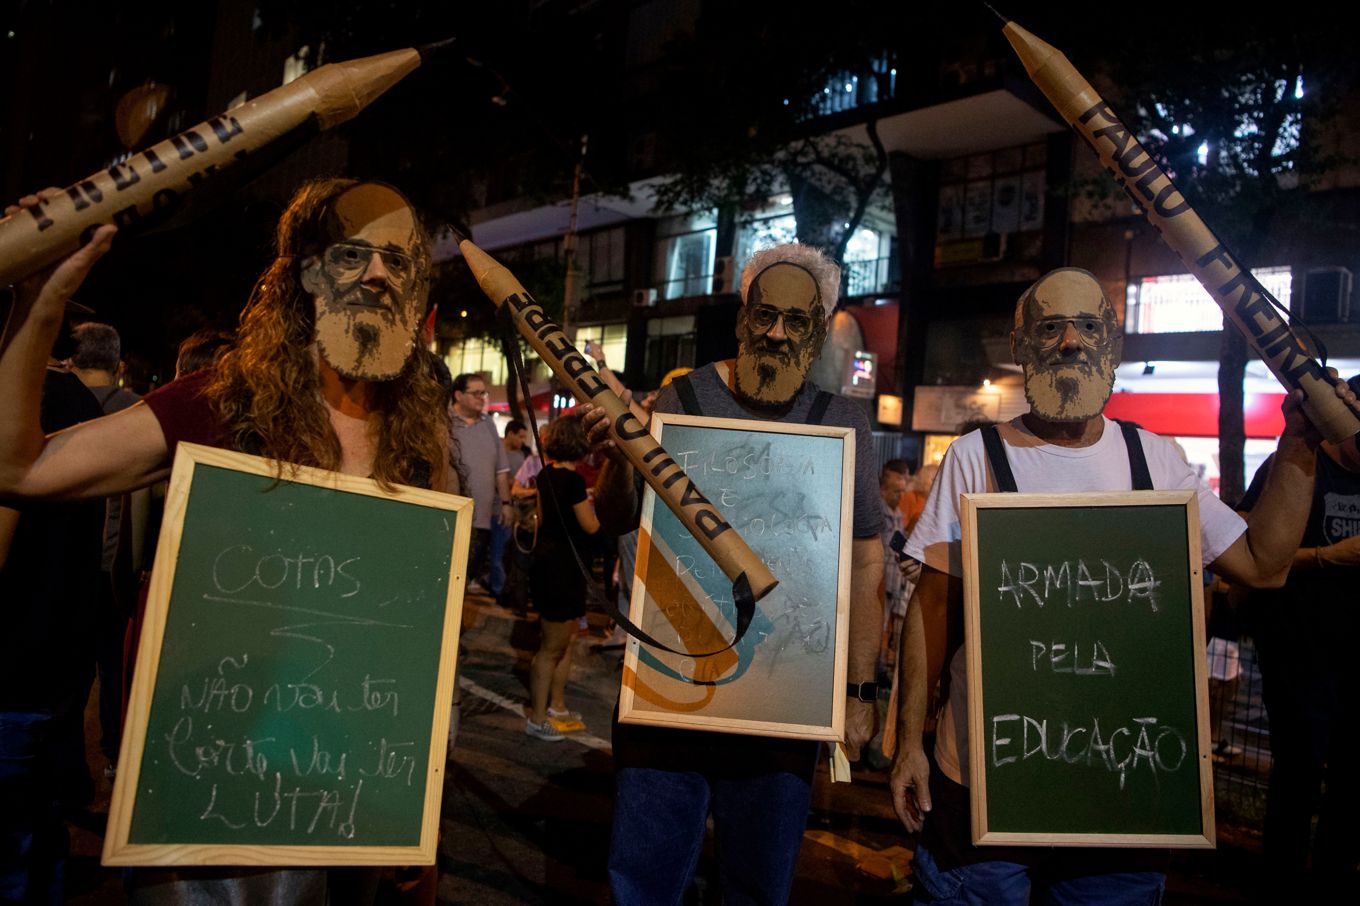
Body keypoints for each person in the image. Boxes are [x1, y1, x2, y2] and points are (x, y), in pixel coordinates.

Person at [0, 178, 452, 905]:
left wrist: (419, 813)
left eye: (398, 261)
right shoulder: (214, 406)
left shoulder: (420, 436)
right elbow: (20, 469)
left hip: (357, 816)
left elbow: (420, 640)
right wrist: (39, 300)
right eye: (354, 255)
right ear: (306, 272)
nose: (378, 274)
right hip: (212, 823)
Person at [888, 267, 1337, 904]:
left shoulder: (1156, 462)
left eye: (1088, 326)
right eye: (1050, 326)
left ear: (1113, 345)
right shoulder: (975, 457)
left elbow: (1265, 563)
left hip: (1125, 794)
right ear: (1021, 347)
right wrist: (909, 742)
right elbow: (931, 609)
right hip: (984, 790)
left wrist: (1300, 442)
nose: (1070, 341)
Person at [585, 243, 882, 905]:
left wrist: (860, 692)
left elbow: (866, 561)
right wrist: (615, 458)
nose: (776, 332)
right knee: (644, 881)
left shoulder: (844, 423)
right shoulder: (681, 396)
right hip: (670, 693)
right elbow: (619, 516)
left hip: (783, 709)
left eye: (797, 320)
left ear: (821, 326)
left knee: (757, 887)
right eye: (764, 313)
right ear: (744, 314)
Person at [1238, 374, 1360, 900]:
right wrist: (1328, 557)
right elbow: (1243, 537)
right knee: (1297, 780)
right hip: (1299, 653)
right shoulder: (1300, 464)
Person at [67, 321, 150, 779]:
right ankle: (116, 754)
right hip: (114, 563)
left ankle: (68, 765)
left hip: (65, 566)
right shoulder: (138, 413)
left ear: (72, 359)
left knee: (69, 670)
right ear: (117, 366)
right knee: (114, 666)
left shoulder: (54, 405)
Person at [525, 412, 600, 741]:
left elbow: (543, 517)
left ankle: (557, 705)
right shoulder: (573, 482)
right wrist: (596, 505)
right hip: (563, 569)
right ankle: (538, 717)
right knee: (552, 647)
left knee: (563, 642)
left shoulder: (545, 475)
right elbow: (591, 527)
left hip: (548, 563)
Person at [449, 372, 511, 594]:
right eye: (475, 393)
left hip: (482, 518)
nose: (482, 397)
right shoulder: (444, 422)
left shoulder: (488, 425)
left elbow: (501, 470)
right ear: (458, 395)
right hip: (451, 516)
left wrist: (506, 503)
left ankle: (457, 618)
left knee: (468, 572)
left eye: (483, 393)